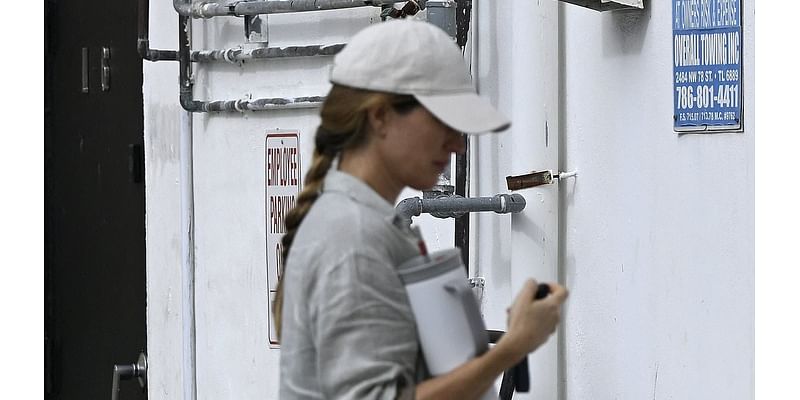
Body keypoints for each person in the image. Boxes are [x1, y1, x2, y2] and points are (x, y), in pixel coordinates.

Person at [274, 19, 568, 400]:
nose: (457, 145)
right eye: (442, 122)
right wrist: (511, 349)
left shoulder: (375, 225)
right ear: (380, 116)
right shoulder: (353, 235)